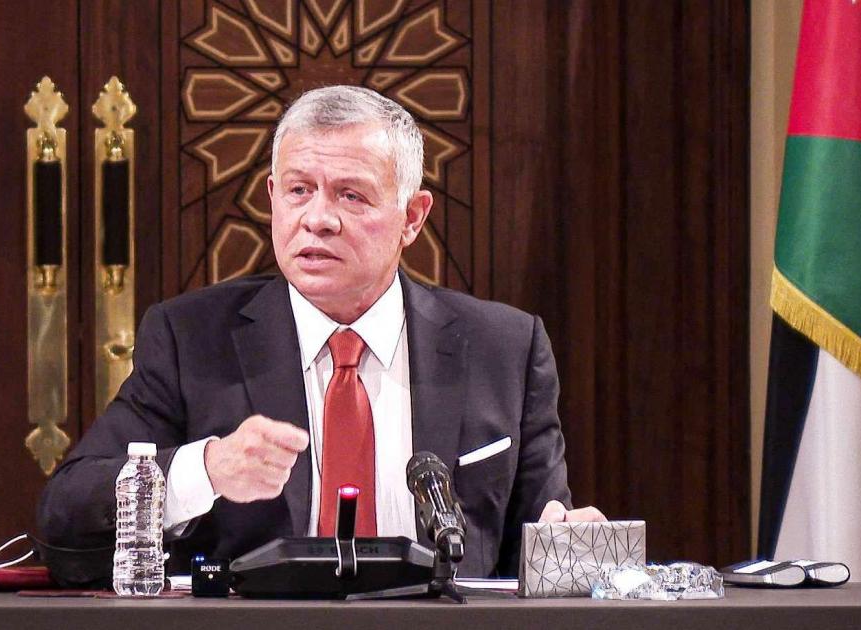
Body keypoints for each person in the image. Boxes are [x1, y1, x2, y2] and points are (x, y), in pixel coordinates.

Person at [37, 85, 603, 578]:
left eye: (351, 195)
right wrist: (202, 471)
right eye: (298, 190)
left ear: (412, 217)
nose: (317, 219)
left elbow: (541, 544)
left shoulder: (503, 348)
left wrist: (573, 546)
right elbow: (64, 518)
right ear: (272, 198)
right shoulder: (192, 339)